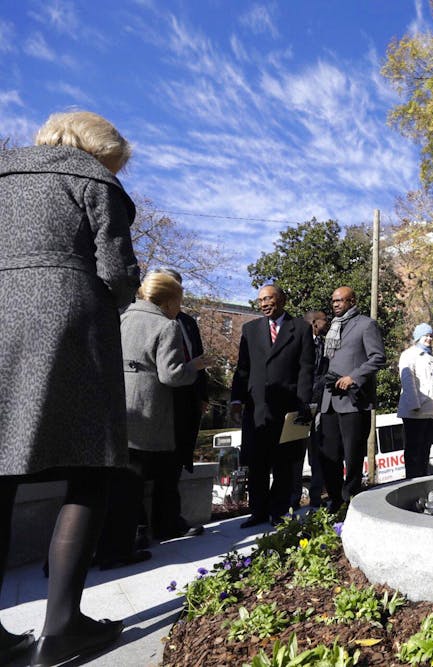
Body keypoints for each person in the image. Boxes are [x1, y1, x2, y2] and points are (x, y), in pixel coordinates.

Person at [0, 111, 140, 666]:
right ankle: (60, 628)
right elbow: (119, 273)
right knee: (91, 467)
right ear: (97, 150)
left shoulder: (4, 174)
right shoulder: (93, 181)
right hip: (67, 318)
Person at [116, 273, 210, 555]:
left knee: (136, 477)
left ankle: (143, 530)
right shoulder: (166, 325)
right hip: (153, 411)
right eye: (178, 300)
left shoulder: (122, 317)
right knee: (140, 477)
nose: (180, 307)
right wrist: (194, 367)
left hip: (125, 409)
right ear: (168, 299)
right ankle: (134, 537)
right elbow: (171, 374)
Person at [230, 285, 314, 527]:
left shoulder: (300, 328)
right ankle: (257, 511)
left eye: (269, 298)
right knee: (257, 462)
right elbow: (242, 369)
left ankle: (278, 510)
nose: (264, 303)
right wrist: (236, 400)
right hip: (257, 408)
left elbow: (306, 368)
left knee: (284, 463)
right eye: (260, 300)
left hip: (289, 407)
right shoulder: (250, 329)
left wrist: (303, 403)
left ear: (282, 300)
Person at [148, 268, 208, 539]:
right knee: (149, 465)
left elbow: (199, 360)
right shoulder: (144, 318)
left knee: (174, 464)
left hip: (186, 401)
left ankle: (169, 520)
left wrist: (202, 395)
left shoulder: (187, 322)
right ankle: (142, 525)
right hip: (158, 401)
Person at [318, 287, 386, 509]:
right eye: (333, 300)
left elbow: (378, 358)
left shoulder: (366, 325)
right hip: (329, 400)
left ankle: (352, 499)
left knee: (353, 454)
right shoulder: (331, 329)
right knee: (329, 454)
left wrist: (354, 377)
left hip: (353, 400)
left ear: (352, 301)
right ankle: (335, 500)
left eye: (340, 300)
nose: (335, 304)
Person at [291, 310, 331, 509]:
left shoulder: (325, 344)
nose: (327, 322)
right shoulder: (297, 342)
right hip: (301, 406)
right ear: (315, 322)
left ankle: (316, 497)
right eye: (324, 319)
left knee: (317, 453)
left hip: (320, 405)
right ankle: (293, 498)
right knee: (296, 454)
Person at [397, 323, 433, 478]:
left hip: (431, 410)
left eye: (431, 335)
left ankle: (423, 478)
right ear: (418, 337)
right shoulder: (409, 355)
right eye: (426, 335)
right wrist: (414, 405)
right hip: (415, 411)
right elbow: (407, 379)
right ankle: (412, 480)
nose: (429, 338)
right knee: (413, 449)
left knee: (425, 449)